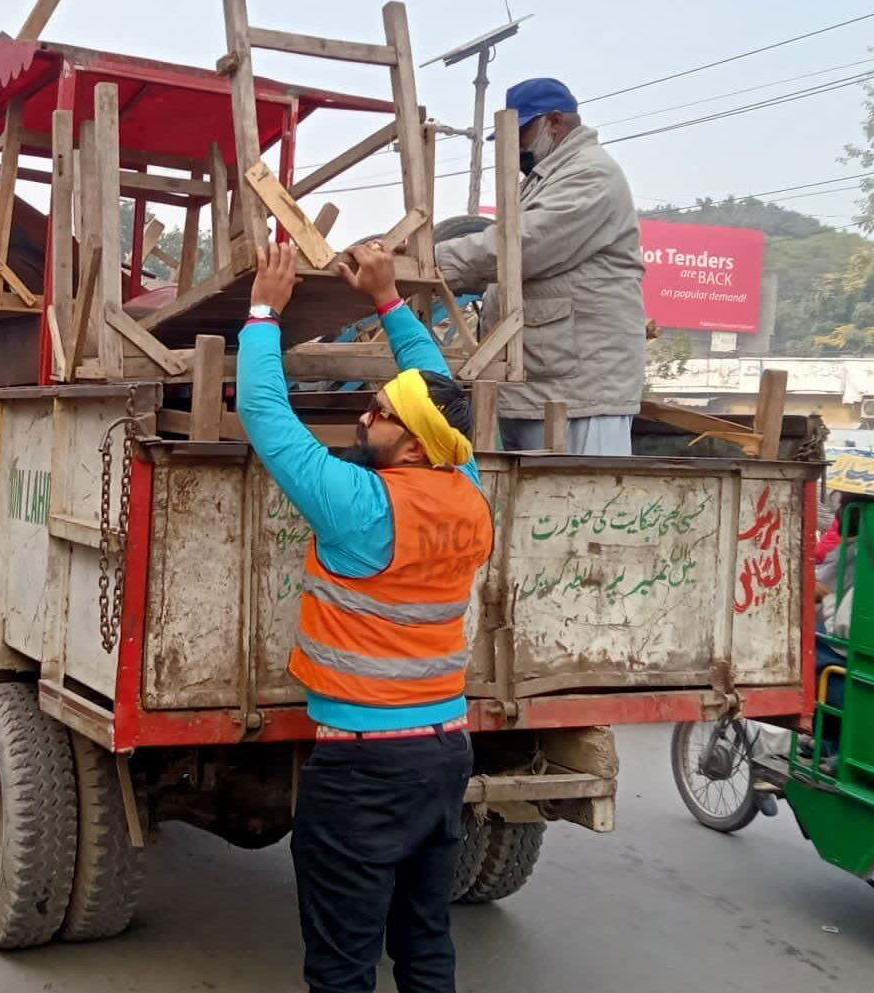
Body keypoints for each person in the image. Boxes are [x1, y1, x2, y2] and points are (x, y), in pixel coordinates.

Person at [237, 241, 493, 993]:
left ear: (412, 441)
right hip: (445, 757)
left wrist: (263, 312)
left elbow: (262, 411)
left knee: (343, 964)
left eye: (379, 412)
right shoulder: (471, 493)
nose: (363, 412)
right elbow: (437, 387)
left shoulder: (358, 507)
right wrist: (388, 300)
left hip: (362, 771)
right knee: (425, 943)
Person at [436, 77, 646, 455]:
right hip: (542, 382)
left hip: (581, 393)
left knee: (582, 501)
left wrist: (431, 262)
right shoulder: (547, 177)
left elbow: (523, 245)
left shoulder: (590, 174)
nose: (514, 146)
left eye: (520, 132)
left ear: (554, 122)